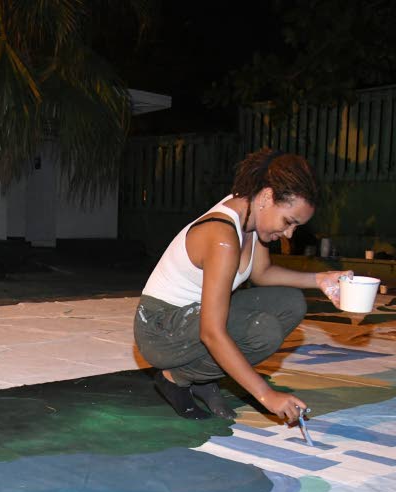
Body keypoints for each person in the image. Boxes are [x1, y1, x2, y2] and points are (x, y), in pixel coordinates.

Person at [133, 148, 349, 424]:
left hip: (191, 317)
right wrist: (266, 395)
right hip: (160, 328)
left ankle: (200, 376)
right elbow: (211, 332)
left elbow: (262, 273)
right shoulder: (222, 236)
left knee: (291, 304)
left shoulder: (250, 217)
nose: (289, 233)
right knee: (263, 331)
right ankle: (176, 377)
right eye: (288, 221)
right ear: (268, 196)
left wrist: (320, 280)